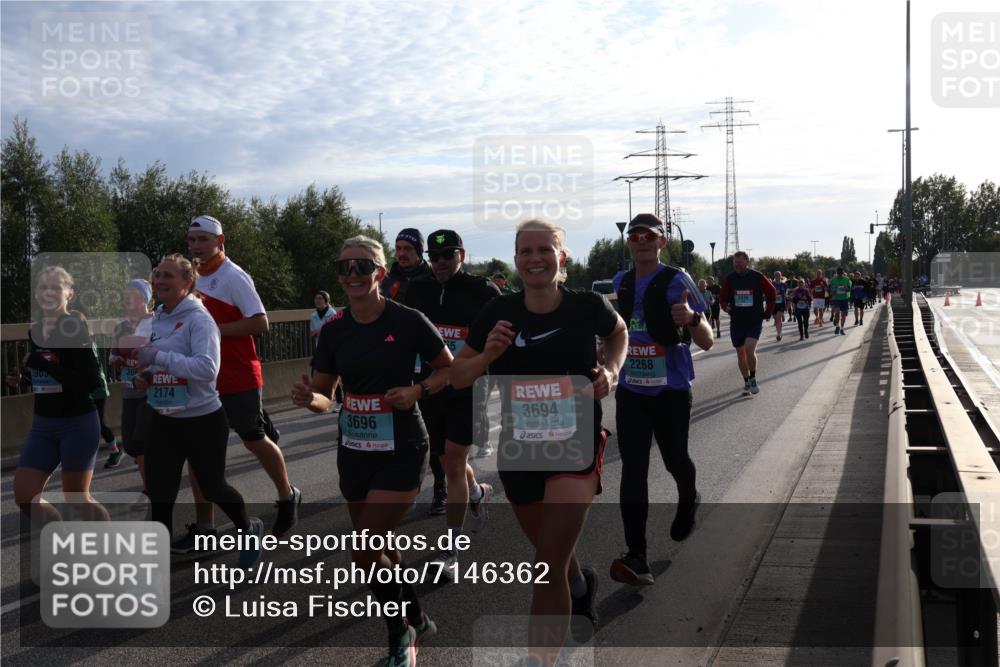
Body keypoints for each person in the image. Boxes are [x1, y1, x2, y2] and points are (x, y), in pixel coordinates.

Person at [452, 219, 627, 666]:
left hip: (575, 446)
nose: (535, 259)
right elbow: (457, 375)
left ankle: (541, 659)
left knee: (545, 566)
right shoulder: (498, 313)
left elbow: (618, 332)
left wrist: (611, 370)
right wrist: (489, 354)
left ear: (561, 257)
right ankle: (581, 585)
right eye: (525, 251)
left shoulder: (586, 305)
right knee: (552, 553)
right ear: (515, 261)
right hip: (521, 451)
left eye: (544, 250)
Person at [292, 235, 449, 667]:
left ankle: (400, 631)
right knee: (383, 549)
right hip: (355, 450)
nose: (353, 274)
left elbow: (448, 369)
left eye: (363, 266)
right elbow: (326, 395)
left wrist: (417, 390)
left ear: (380, 273)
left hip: (403, 446)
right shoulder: (334, 330)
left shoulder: (409, 320)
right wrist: (311, 399)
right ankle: (417, 614)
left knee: (363, 549)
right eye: (345, 267)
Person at [177, 215, 299, 551]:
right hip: (203, 378)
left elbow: (261, 323)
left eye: (203, 239)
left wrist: (213, 330)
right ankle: (205, 528)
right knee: (197, 453)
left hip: (239, 375)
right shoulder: (189, 277)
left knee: (253, 440)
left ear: (220, 241)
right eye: (192, 240)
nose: (196, 246)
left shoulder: (233, 276)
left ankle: (287, 496)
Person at [135, 254, 263, 567]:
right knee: (160, 489)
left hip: (202, 419)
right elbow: (154, 362)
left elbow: (207, 369)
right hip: (163, 417)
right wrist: (144, 375)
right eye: (157, 275)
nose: (159, 281)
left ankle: (249, 529)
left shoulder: (200, 319)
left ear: (187, 282)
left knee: (212, 486)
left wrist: (159, 358)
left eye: (168, 276)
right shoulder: (153, 319)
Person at [609, 214, 713, 587]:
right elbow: (613, 334)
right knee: (633, 469)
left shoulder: (677, 279)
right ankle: (637, 556)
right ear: (629, 243)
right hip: (632, 391)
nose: (641, 241)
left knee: (675, 460)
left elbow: (708, 340)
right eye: (635, 235)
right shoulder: (620, 283)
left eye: (648, 235)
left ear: (662, 241)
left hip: (671, 389)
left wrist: (690, 319)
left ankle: (689, 497)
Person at [404, 229, 501, 578]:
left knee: (455, 463)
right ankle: (477, 492)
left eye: (449, 255)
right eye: (435, 256)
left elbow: (506, 329)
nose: (442, 262)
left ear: (462, 255)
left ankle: (451, 549)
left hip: (468, 387)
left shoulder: (482, 290)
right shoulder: (418, 290)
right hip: (430, 385)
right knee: (445, 461)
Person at [7, 266, 107, 525]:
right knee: (25, 495)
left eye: (55, 287)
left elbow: (89, 381)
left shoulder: (73, 327)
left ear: (69, 294)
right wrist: (23, 378)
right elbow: (50, 378)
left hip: (78, 422)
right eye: (43, 287)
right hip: (43, 425)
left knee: (77, 498)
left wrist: (43, 365)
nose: (48, 292)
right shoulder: (36, 330)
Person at [108, 279, 156, 494]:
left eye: (134, 293)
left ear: (146, 298)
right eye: (126, 293)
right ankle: (153, 475)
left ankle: (150, 488)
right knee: (130, 445)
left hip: (151, 392)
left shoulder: (157, 323)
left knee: (143, 442)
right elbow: (112, 356)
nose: (129, 297)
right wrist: (116, 361)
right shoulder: (121, 327)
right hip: (129, 392)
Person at [718, 251, 776, 397]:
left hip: (754, 319)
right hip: (737, 320)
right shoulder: (730, 279)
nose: (737, 264)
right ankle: (746, 382)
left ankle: (754, 378)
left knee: (749, 350)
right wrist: (726, 307)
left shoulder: (757, 276)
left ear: (747, 262)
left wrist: (768, 311)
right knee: (740, 354)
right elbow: (723, 299)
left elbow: (772, 292)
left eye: (740, 261)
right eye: (735, 262)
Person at [310, 290, 343, 411]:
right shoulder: (313, 315)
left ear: (326, 301)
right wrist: (318, 331)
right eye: (316, 298)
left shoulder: (332, 313)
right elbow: (313, 331)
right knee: (315, 375)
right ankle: (323, 402)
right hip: (319, 348)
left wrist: (320, 331)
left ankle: (339, 401)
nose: (317, 301)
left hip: (332, 349)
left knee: (333, 377)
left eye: (320, 299)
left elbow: (334, 332)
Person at [382, 228, 432, 302]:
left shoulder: (433, 277)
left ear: (420, 250)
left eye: (407, 248)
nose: (401, 253)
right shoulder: (386, 279)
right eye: (398, 248)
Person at [829, 267, 852, 335]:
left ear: (843, 273)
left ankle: (842, 328)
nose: (840, 274)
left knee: (843, 315)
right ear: (836, 273)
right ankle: (837, 326)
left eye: (841, 273)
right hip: (836, 298)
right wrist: (833, 291)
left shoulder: (847, 279)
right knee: (837, 312)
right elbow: (829, 289)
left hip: (844, 299)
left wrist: (846, 289)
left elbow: (849, 289)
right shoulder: (833, 280)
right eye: (838, 273)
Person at [771, 271, 787, 342]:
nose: (778, 277)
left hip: (781, 304)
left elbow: (787, 293)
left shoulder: (784, 285)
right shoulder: (771, 284)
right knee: (776, 319)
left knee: (778, 318)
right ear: (774, 276)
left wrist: (788, 302)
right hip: (773, 304)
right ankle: (779, 331)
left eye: (779, 275)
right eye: (776, 275)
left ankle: (779, 334)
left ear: (781, 276)